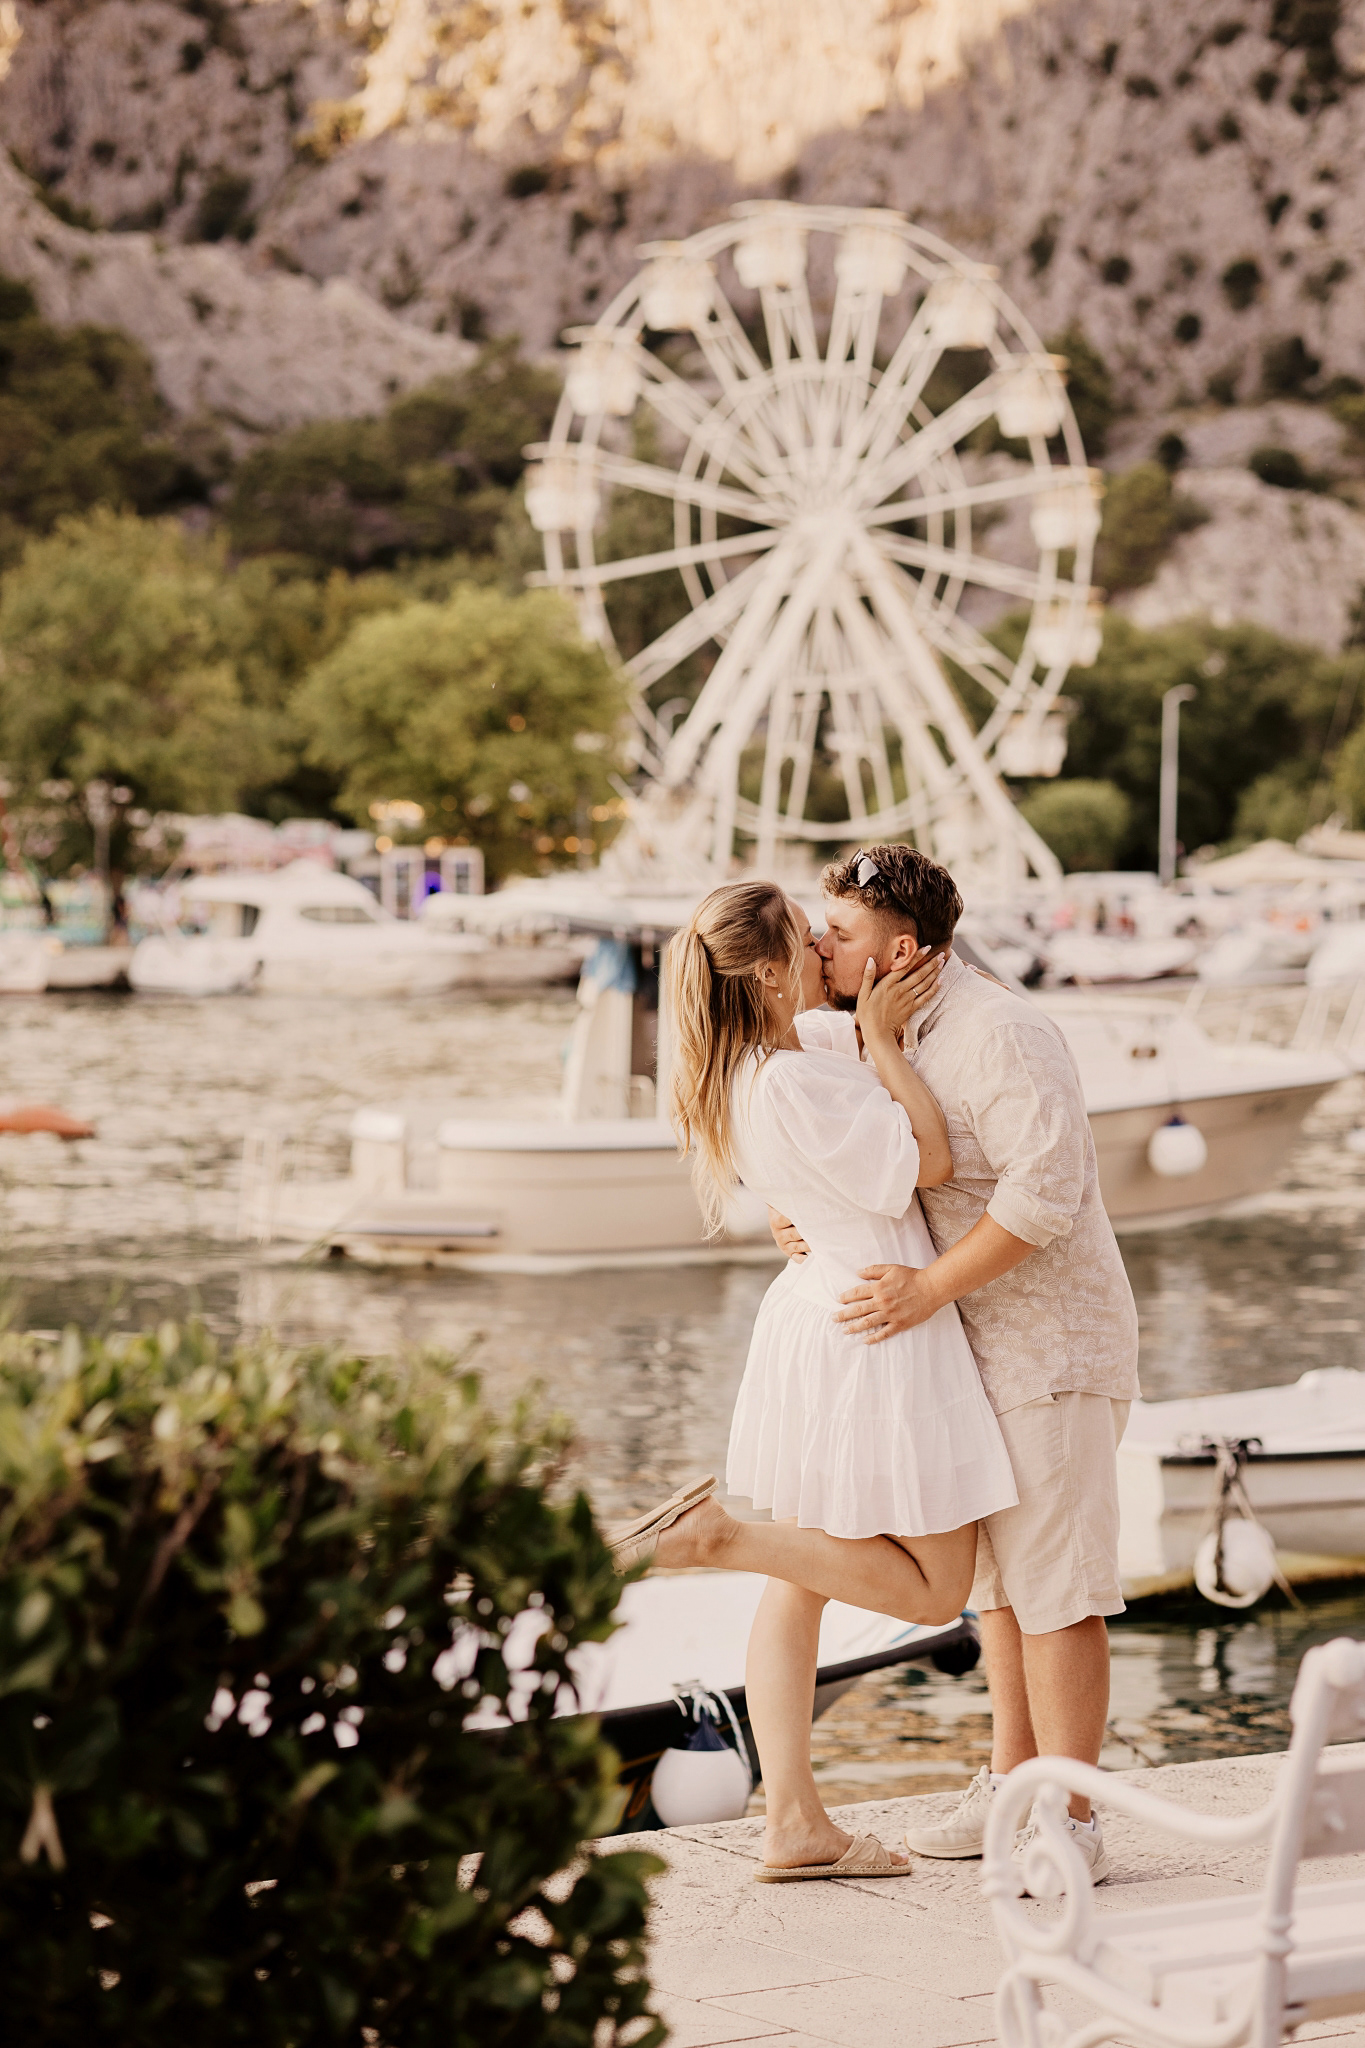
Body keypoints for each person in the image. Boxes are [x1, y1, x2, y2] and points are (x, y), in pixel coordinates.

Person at [609, 878, 1017, 1881]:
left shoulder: (771, 1059)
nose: (824, 949)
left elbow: (815, 1158)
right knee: (939, 1589)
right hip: (873, 1326)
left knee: (801, 1582)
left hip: (818, 1311)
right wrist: (883, 1038)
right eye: (808, 937)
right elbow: (930, 1158)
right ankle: (714, 1536)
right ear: (768, 971)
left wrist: (867, 1032)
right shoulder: (799, 1074)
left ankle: (792, 1820)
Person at [771, 843, 1140, 1894]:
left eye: (838, 933)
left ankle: (1071, 1819)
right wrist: (794, 1218)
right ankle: (1010, 1784)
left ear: (898, 951)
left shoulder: (1002, 1033)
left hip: (1049, 1346)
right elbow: (846, 1155)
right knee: (999, 1591)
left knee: (1059, 1590)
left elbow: (1043, 1194)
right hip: (959, 1355)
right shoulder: (867, 1031)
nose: (819, 945)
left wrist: (927, 1289)